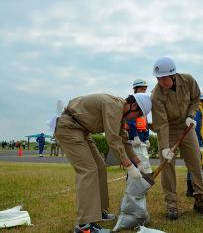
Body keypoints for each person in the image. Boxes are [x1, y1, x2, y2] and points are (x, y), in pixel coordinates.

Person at [55, 93, 152, 233]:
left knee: (100, 166)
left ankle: (98, 212)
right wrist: (129, 166)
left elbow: (123, 139)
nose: (136, 119)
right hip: (69, 128)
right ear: (133, 106)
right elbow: (112, 138)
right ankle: (84, 226)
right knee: (88, 170)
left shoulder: (120, 111)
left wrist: (138, 161)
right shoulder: (114, 106)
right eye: (137, 115)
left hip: (81, 130)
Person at [151, 56, 203, 220]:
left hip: (187, 126)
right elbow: (162, 124)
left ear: (173, 74)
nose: (161, 82)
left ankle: (201, 200)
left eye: (164, 78)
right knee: (167, 166)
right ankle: (171, 204)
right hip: (169, 129)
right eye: (158, 78)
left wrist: (191, 115)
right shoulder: (156, 95)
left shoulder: (187, 80)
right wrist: (165, 147)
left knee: (195, 162)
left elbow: (196, 99)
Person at [126, 79, 150, 147]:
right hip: (132, 136)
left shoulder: (143, 103)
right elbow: (130, 120)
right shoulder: (131, 102)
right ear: (135, 89)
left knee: (142, 157)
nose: (143, 91)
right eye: (142, 89)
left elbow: (146, 123)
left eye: (145, 89)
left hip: (142, 136)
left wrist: (147, 138)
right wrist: (135, 136)